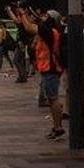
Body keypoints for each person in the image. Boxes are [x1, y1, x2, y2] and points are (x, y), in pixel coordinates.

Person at [20, 9, 65, 140]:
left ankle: (58, 127)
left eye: (46, 16)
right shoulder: (50, 32)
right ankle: (57, 125)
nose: (43, 17)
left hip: (50, 68)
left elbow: (29, 27)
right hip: (49, 68)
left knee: (53, 98)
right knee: (52, 99)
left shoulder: (48, 32)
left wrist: (22, 14)